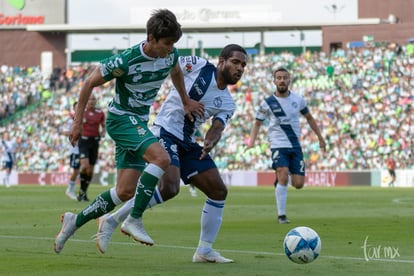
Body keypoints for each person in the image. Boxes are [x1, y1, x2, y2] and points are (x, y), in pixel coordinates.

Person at [54, 9, 203, 254]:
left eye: (173, 44)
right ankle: (133, 219)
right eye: (166, 43)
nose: (170, 49)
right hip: (121, 119)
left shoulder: (170, 55)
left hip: (139, 122)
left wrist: (186, 100)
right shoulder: (126, 60)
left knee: (124, 190)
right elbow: (89, 82)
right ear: (151, 38)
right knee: (161, 158)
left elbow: (176, 72)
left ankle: (74, 221)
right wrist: (77, 121)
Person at [94, 44, 248, 263]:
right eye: (235, 62)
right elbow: (170, 65)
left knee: (218, 191)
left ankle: (204, 251)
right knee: (170, 187)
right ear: (221, 61)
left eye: (243, 65)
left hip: (186, 141)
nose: (240, 68)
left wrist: (210, 141)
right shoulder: (199, 66)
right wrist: (184, 99)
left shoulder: (228, 103)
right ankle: (113, 219)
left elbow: (218, 126)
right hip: (165, 131)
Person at [246, 67, 326, 224]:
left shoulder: (298, 100)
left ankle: (279, 181)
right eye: (279, 78)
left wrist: (320, 137)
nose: (282, 80)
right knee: (283, 173)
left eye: (284, 78)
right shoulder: (267, 103)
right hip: (278, 144)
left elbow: (309, 118)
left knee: (298, 184)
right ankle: (281, 215)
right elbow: (257, 123)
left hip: (295, 146)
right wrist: (252, 141)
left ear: (289, 80)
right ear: (274, 81)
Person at [76, 94, 106, 202]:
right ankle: (81, 191)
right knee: (84, 166)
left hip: (95, 142)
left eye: (93, 99)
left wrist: (102, 133)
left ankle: (83, 192)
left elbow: (104, 126)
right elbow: (76, 123)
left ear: (96, 101)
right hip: (84, 141)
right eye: (90, 99)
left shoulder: (100, 113)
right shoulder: (82, 112)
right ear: (87, 101)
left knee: (90, 170)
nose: (92, 101)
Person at [62, 101, 80, 200]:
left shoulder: (83, 118)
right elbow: (64, 131)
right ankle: (70, 189)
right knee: (76, 170)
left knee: (85, 169)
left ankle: (82, 192)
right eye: (77, 107)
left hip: (84, 147)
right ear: (74, 109)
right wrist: (74, 132)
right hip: (75, 149)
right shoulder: (70, 120)